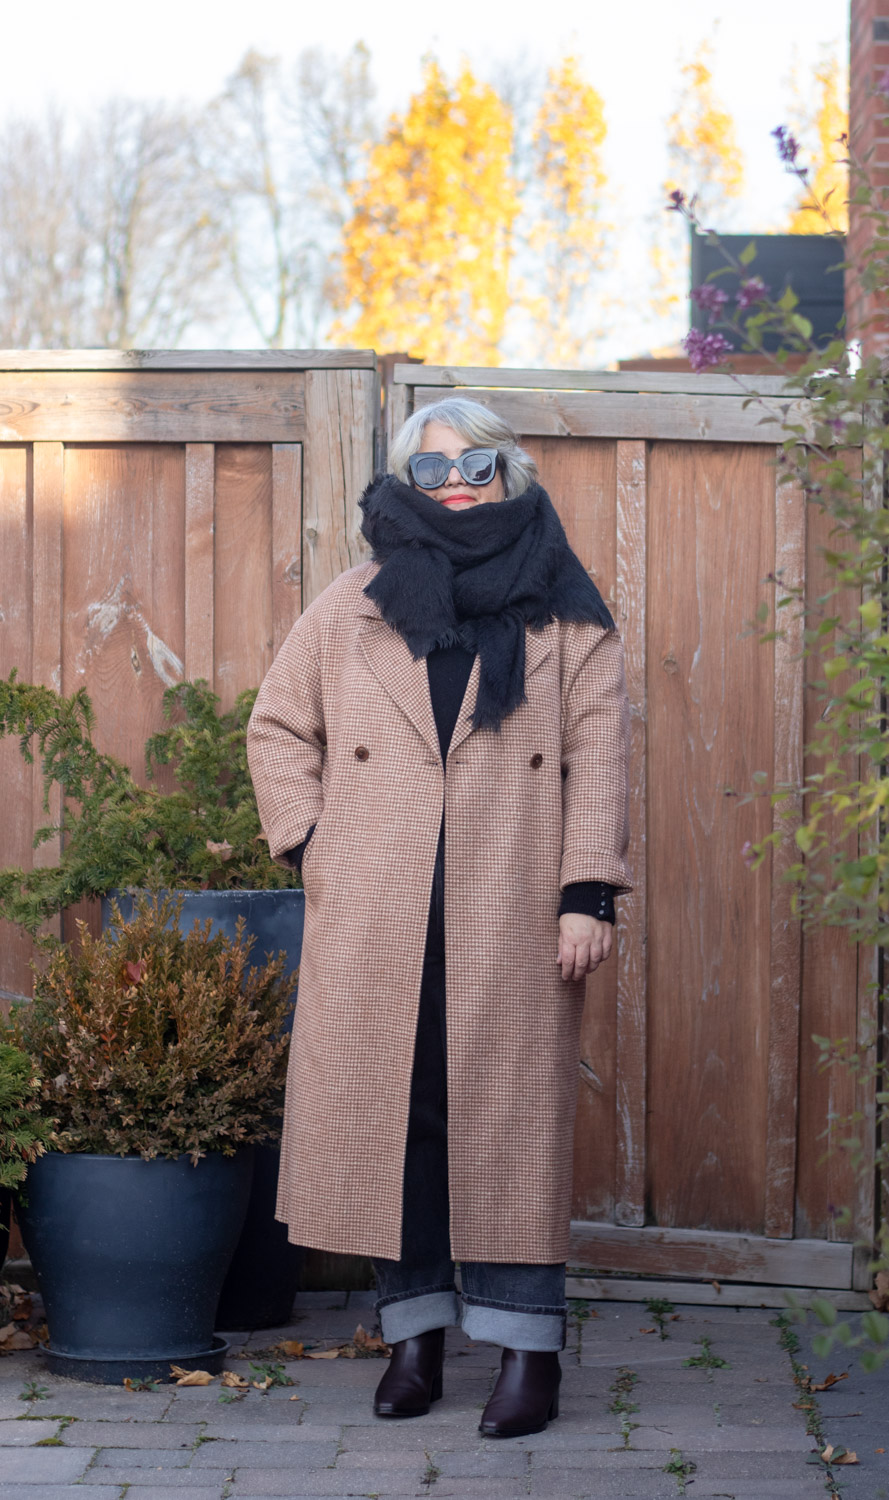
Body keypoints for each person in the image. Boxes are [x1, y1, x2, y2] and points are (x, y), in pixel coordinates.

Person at [247, 397, 633, 1438]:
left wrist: (586, 893)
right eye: (433, 471)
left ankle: (525, 1355)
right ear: (401, 487)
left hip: (510, 899)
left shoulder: (565, 610)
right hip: (377, 905)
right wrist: (314, 844)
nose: (457, 485)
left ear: (511, 473)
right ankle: (412, 1338)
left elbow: (597, 757)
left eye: (478, 466)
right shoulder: (354, 603)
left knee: (506, 1125)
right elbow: (277, 727)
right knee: (395, 1119)